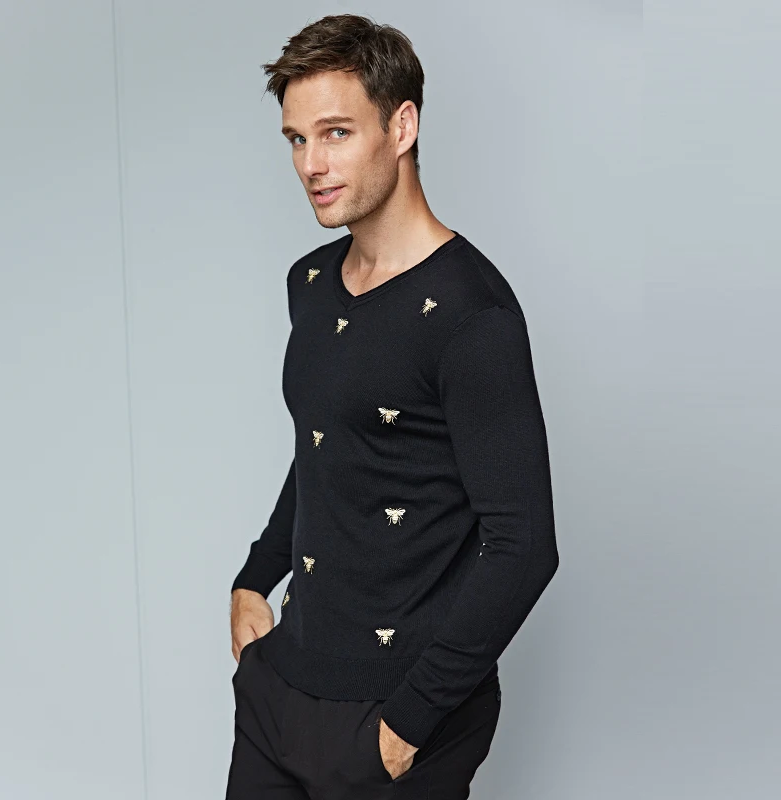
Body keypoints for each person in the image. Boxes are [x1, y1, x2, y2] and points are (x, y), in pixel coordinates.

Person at [226, 13, 559, 800]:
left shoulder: (473, 316)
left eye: (336, 133)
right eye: (296, 139)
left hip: (396, 712)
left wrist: (409, 724)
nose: (311, 164)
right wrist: (254, 577)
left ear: (402, 126)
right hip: (283, 689)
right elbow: (327, 446)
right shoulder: (310, 283)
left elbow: (524, 545)